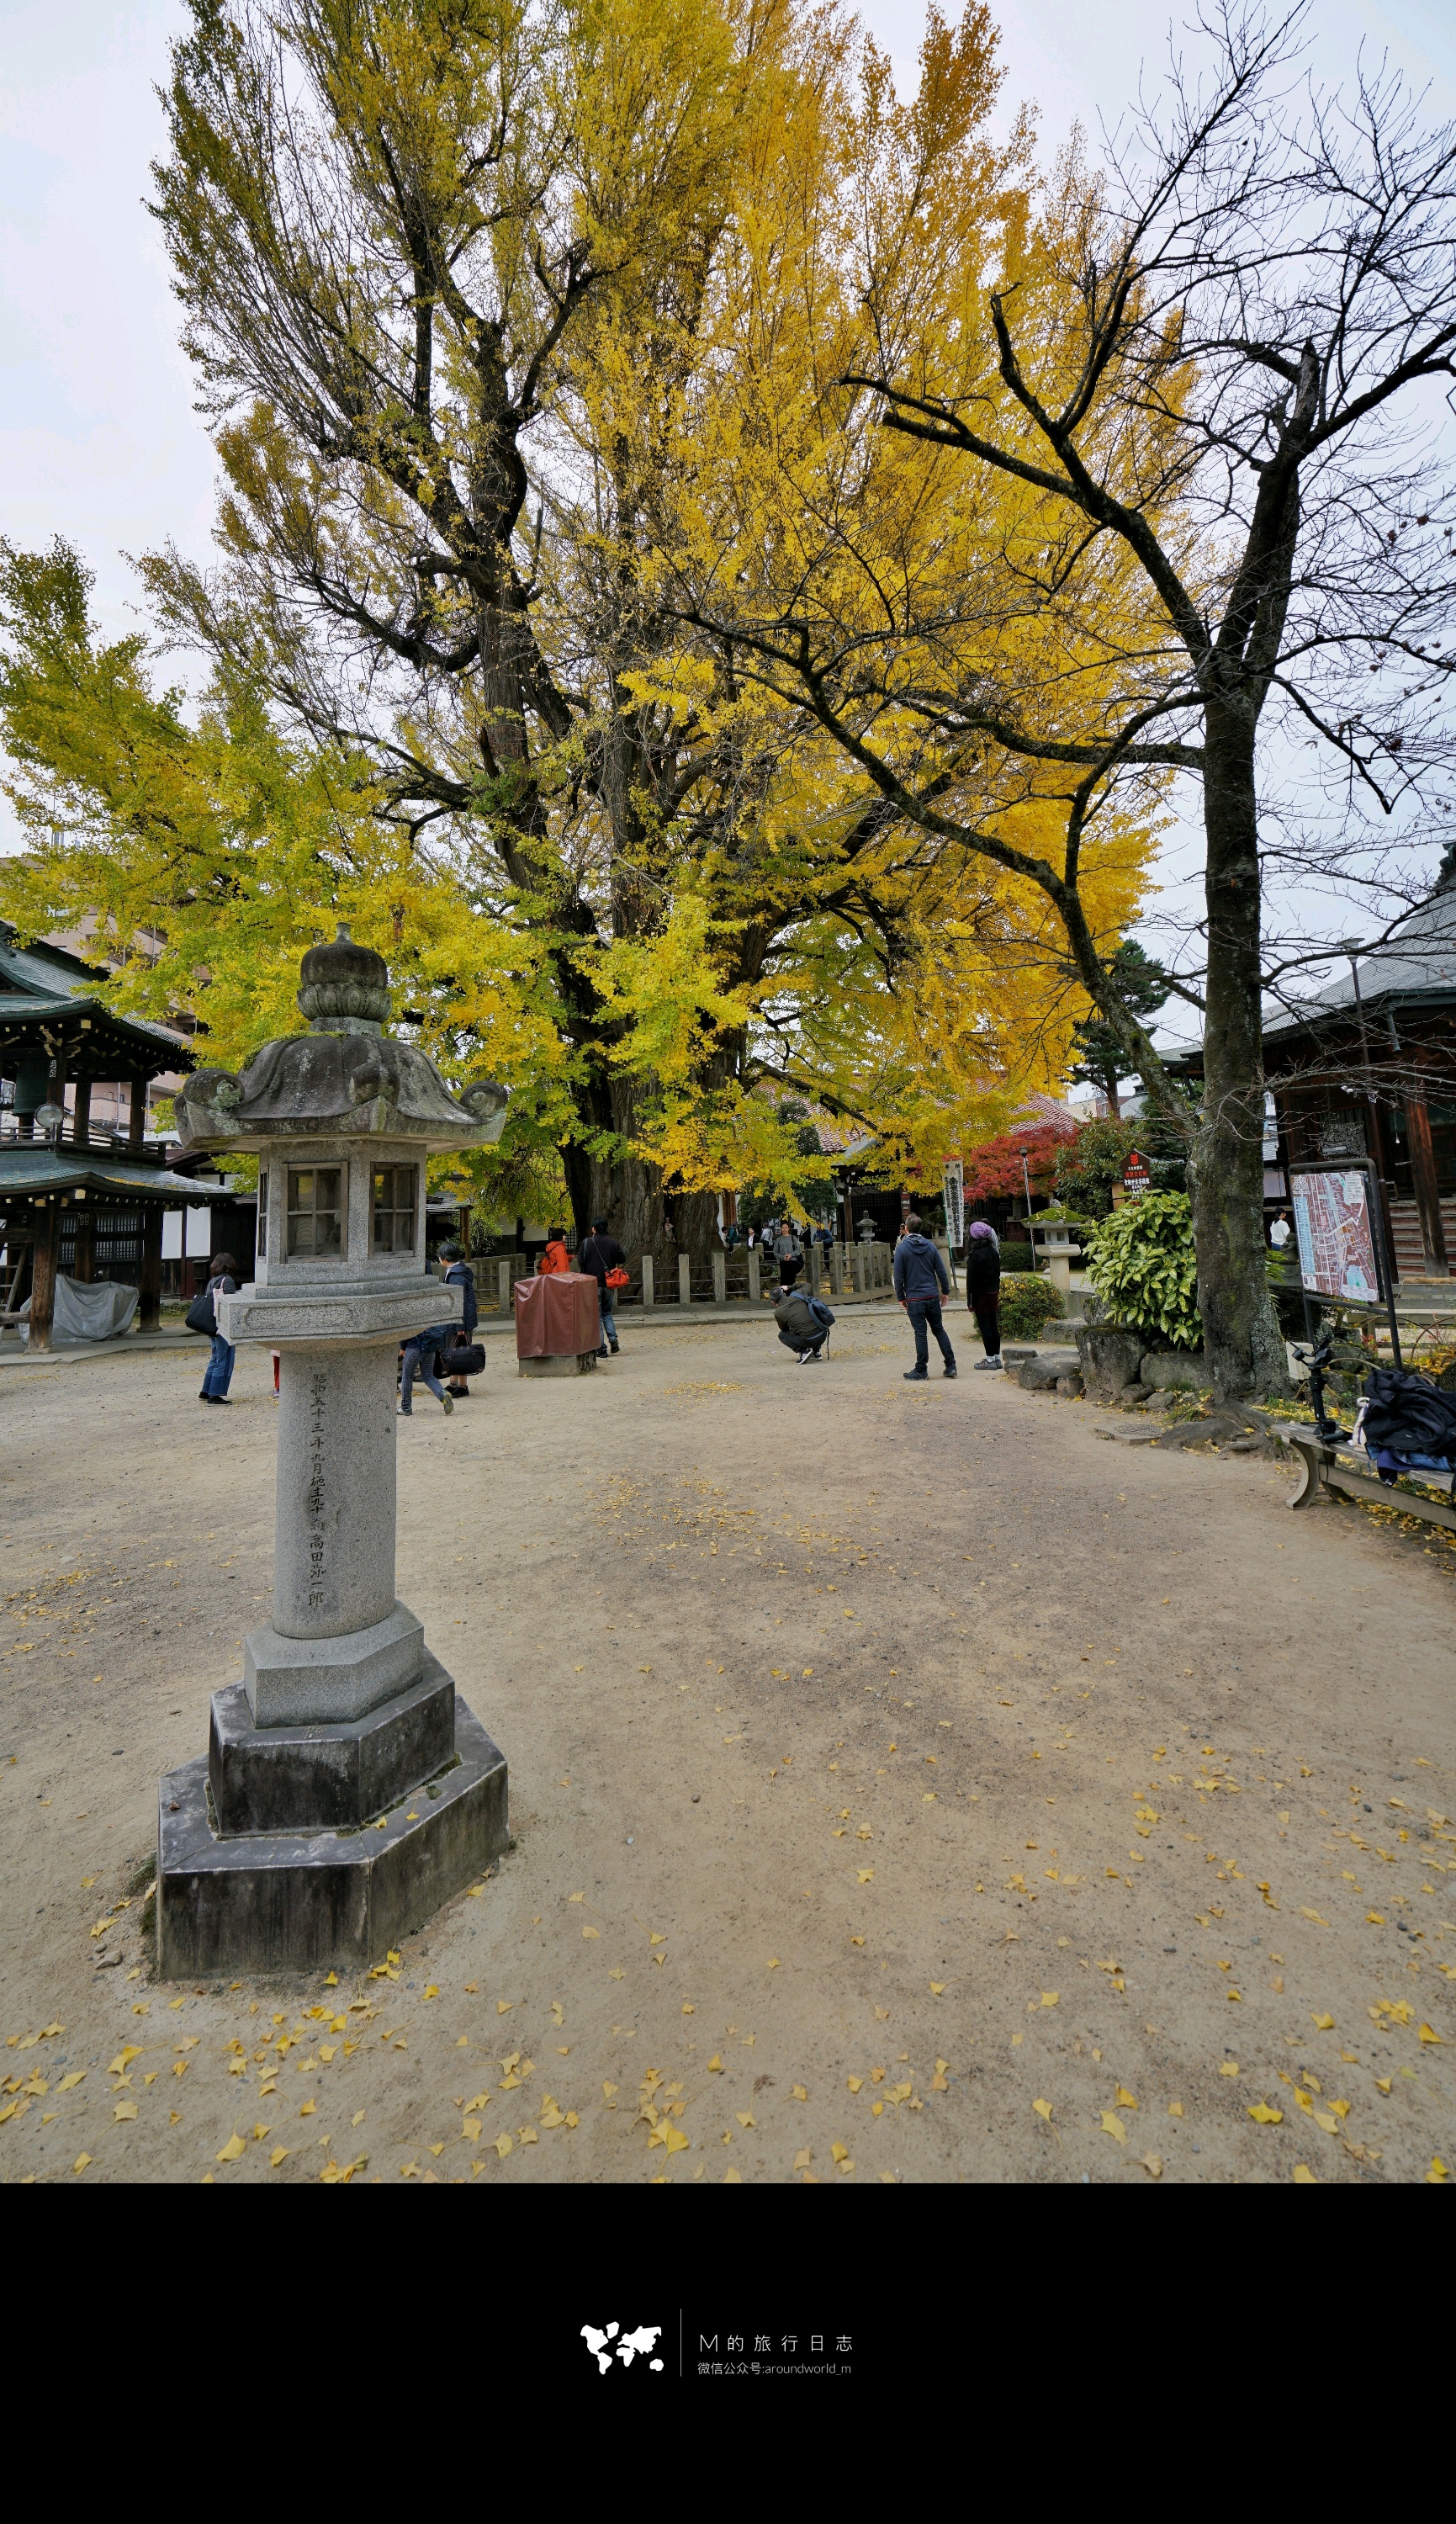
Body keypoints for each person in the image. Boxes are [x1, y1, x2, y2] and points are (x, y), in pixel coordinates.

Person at [892, 1212, 956, 1380]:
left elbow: (898, 1276)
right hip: (931, 1296)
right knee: (939, 1329)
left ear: (906, 1229)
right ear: (921, 1228)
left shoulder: (902, 1249)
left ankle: (921, 1369)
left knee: (920, 1334)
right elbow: (941, 1271)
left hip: (915, 1297)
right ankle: (951, 1365)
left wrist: (900, 1297)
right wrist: (945, 1292)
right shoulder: (930, 1246)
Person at [400, 1263, 455, 1416]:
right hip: (432, 1341)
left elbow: (406, 1326)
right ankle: (443, 1394)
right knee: (427, 1375)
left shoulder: (409, 1294)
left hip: (415, 1343)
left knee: (407, 1376)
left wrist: (402, 1346)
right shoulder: (433, 1292)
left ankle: (405, 1407)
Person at [579, 1214, 627, 1356]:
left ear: (594, 1229)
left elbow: (581, 1262)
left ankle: (601, 1347)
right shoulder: (613, 1243)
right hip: (609, 1283)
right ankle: (613, 1338)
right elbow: (622, 1258)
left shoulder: (587, 1243)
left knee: (597, 1316)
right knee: (607, 1313)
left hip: (593, 1284)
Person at [437, 1240, 478, 1397]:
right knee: (456, 1353)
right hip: (460, 1320)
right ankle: (454, 1383)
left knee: (460, 1353)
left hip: (460, 1321)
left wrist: (460, 1325)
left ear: (444, 1257)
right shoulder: (458, 1271)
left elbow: (459, 1302)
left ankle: (462, 1386)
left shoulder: (456, 1275)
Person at [199, 1251, 239, 1404]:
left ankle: (206, 1390)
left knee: (215, 1357)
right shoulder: (227, 1280)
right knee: (224, 1358)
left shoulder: (212, 1281)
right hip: (223, 1324)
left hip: (212, 1324)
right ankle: (215, 1394)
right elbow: (230, 1304)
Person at [773, 1257, 827, 1363]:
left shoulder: (778, 1313)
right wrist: (789, 1287)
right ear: (784, 1293)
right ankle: (817, 1352)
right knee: (812, 1319)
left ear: (773, 1302)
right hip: (822, 1334)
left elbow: (784, 1329)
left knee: (783, 1335)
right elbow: (807, 1285)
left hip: (807, 1340)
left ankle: (803, 1352)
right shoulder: (797, 1295)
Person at [965, 1218, 1003, 1370]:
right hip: (993, 1292)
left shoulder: (974, 1256)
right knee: (993, 1325)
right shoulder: (994, 1252)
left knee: (985, 1327)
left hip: (981, 1295)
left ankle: (989, 1359)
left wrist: (970, 1302)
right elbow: (998, 1274)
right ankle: (997, 1358)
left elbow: (971, 1281)